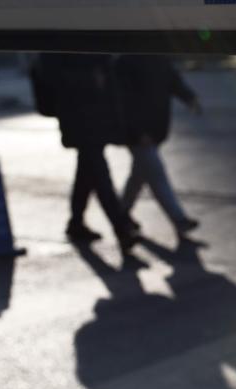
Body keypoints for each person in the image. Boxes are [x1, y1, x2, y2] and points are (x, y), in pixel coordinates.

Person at [38, 54, 136, 253]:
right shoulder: (67, 49)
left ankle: (76, 223)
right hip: (82, 122)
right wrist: (91, 80)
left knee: (86, 175)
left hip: (93, 121)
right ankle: (121, 228)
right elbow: (53, 78)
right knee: (100, 177)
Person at [116, 55, 201, 235]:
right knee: (157, 175)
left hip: (154, 130)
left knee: (138, 177)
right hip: (140, 134)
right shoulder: (127, 60)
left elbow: (172, 79)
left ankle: (121, 213)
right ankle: (178, 219)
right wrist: (138, 131)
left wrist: (190, 98)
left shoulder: (157, 55)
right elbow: (124, 99)